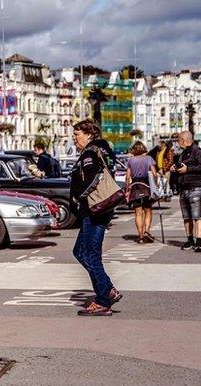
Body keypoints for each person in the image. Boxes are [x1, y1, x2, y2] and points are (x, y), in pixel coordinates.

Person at [69, 119, 121, 317]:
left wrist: (77, 196)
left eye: (77, 134)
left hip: (94, 209)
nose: (74, 138)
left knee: (90, 254)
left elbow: (92, 178)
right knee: (80, 251)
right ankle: (106, 289)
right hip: (98, 209)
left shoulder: (90, 153)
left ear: (89, 134)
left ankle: (103, 299)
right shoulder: (103, 150)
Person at [171, 131, 201, 252]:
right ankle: (190, 240)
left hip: (196, 187)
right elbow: (181, 168)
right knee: (186, 217)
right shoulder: (183, 153)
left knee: (197, 216)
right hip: (184, 188)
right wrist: (175, 168)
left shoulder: (197, 151)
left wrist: (188, 169)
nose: (178, 143)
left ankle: (198, 242)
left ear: (183, 139)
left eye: (178, 140)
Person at [124, 141, 158, 243]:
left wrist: (127, 189)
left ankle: (141, 236)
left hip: (135, 186)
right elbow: (154, 174)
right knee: (148, 210)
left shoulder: (130, 160)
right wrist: (156, 184)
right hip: (146, 186)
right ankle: (147, 231)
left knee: (138, 212)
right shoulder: (149, 159)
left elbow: (127, 177)